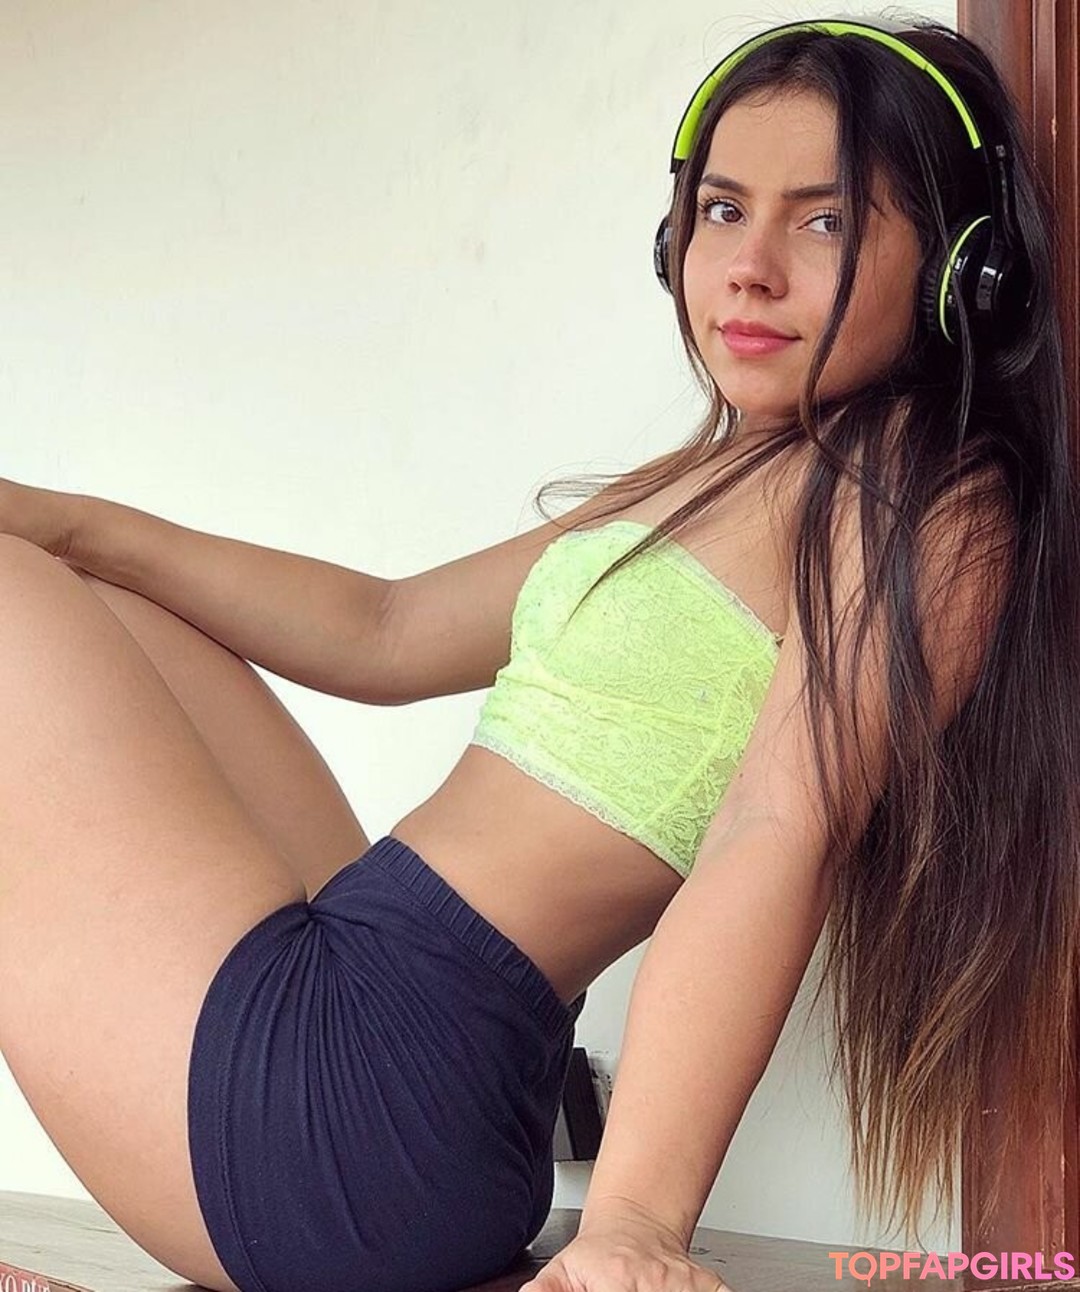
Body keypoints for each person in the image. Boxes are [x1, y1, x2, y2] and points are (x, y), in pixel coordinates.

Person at [0, 12, 1076, 1292]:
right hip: (395, 1054)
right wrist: (69, 520)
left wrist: (636, 1222)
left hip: (346, 1116)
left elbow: (778, 825)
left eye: (826, 220)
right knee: (96, 594)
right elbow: (386, 628)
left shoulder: (921, 489)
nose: (749, 268)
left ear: (961, 269)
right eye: (723, 210)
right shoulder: (710, 478)